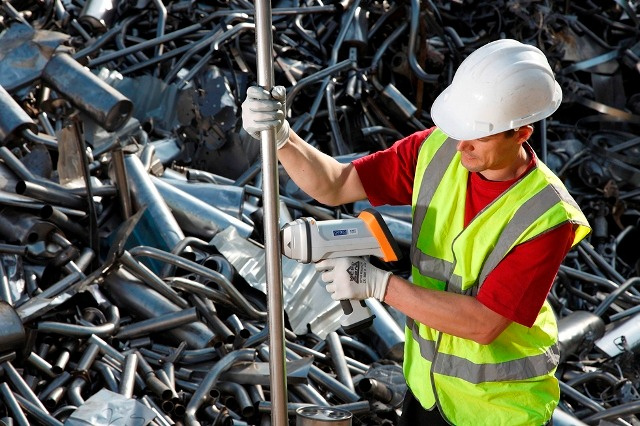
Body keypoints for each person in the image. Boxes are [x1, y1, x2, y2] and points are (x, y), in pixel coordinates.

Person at [241, 39, 591, 426]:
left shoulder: (546, 215)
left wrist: (378, 285)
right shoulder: (438, 150)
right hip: (427, 393)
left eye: (479, 134)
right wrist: (283, 138)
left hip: (498, 410)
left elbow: (484, 324)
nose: (462, 144)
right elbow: (336, 185)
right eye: (460, 127)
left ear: (521, 133)